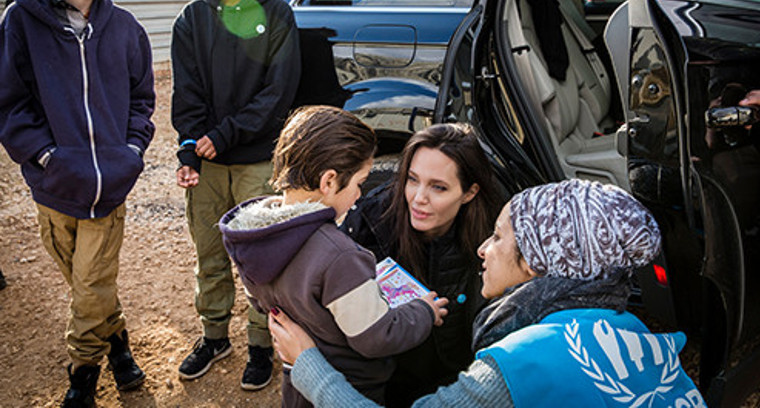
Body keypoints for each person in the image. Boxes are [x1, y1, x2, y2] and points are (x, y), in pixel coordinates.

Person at [270, 179, 707, 408]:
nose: (483, 248)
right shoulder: (635, 333)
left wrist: (309, 366)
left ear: (536, 265)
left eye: (498, 239)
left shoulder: (527, 361)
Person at [0, 0, 155, 407]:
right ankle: (120, 346)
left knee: (89, 287)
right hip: (53, 186)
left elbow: (142, 99)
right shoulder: (21, 23)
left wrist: (130, 151)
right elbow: (10, 100)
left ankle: (82, 375)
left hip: (109, 186)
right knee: (91, 285)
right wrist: (45, 156)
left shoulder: (126, 29)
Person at [219, 106, 449, 408]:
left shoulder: (252, 237)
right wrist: (423, 311)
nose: (359, 195)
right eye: (358, 183)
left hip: (297, 383)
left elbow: (260, 303)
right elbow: (377, 336)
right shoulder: (339, 257)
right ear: (329, 181)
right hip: (348, 389)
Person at [170, 0, 301, 390]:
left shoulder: (276, 13)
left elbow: (277, 94)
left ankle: (261, 344)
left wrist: (221, 136)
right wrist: (189, 150)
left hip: (254, 160)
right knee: (209, 253)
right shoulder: (191, 20)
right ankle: (214, 336)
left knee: (258, 257)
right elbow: (187, 93)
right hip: (206, 164)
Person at [342, 123, 500, 406]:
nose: (418, 198)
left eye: (438, 187)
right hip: (388, 384)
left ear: (469, 193)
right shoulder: (368, 224)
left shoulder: (494, 236)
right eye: (412, 179)